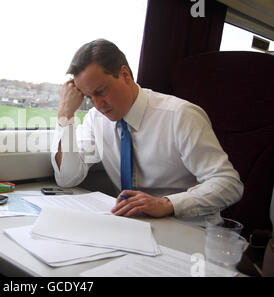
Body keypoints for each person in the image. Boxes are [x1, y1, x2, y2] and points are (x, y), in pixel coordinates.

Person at [51, 39, 243, 224]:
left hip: (187, 226)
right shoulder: (95, 119)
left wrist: (166, 204)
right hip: (134, 226)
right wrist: (65, 113)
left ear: (125, 75)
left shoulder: (180, 115)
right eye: (88, 97)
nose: (98, 105)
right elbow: (67, 178)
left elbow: (229, 184)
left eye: (101, 91)